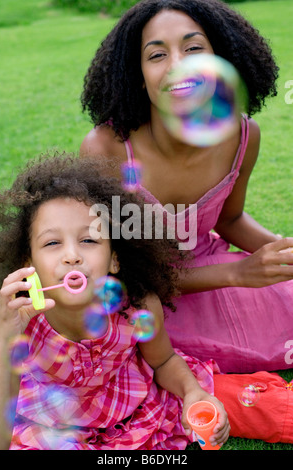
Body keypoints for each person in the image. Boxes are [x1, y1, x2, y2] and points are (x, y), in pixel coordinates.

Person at [0, 154, 292, 450]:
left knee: (243, 402)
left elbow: (162, 361)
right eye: (52, 243)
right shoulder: (20, 323)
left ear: (114, 259)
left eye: (89, 240)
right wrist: (3, 336)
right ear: (27, 263)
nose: (72, 255)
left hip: (134, 404)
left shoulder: (137, 307)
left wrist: (191, 392)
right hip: (50, 427)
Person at [80, 0, 293, 374]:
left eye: (194, 48)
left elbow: (230, 219)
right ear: (138, 73)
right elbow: (109, 269)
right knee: (145, 354)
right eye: (157, 54)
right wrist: (238, 274)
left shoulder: (243, 135)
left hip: (212, 269)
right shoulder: (105, 149)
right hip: (144, 296)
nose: (179, 66)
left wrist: (279, 251)